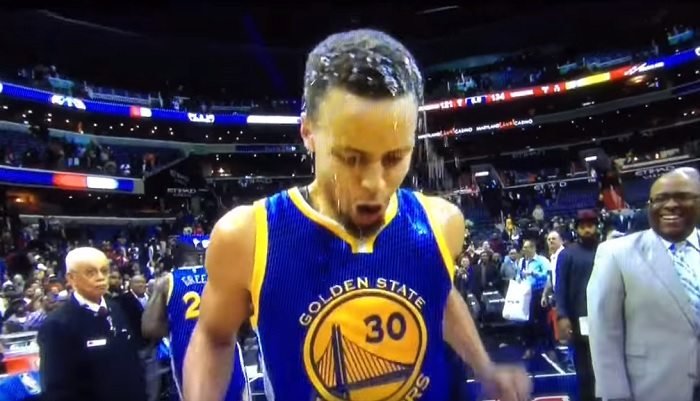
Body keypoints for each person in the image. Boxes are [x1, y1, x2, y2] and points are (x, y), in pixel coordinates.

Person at [184, 29, 531, 401]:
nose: (374, 183)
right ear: (308, 133)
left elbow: (438, 294)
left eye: (395, 158)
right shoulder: (249, 236)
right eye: (351, 158)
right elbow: (214, 336)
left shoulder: (441, 223)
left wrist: (484, 366)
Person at [587, 169, 700, 401]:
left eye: (682, 196)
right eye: (660, 199)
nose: (670, 205)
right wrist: (615, 395)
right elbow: (604, 333)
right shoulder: (615, 253)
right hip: (653, 389)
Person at [142, 240, 247, 401]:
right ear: (201, 255)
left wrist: (178, 326)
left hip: (187, 349)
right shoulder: (222, 275)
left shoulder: (166, 282)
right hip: (224, 347)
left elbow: (150, 328)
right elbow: (244, 317)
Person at [37, 247, 146, 401]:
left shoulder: (117, 308)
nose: (101, 277)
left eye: (104, 271)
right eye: (90, 273)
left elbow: (133, 364)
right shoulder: (57, 324)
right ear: (71, 278)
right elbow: (57, 389)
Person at [555, 209, 600, 401]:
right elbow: (560, 287)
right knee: (586, 368)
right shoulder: (567, 254)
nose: (587, 230)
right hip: (581, 318)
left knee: (608, 366)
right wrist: (562, 316)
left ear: (597, 227)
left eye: (590, 226)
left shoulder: (606, 250)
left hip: (608, 316)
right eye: (583, 226)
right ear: (577, 229)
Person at [517, 238, 551, 359]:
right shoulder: (521, 261)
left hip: (539, 292)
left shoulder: (542, 260)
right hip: (526, 293)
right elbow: (518, 275)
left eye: (526, 247)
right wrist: (518, 281)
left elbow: (548, 276)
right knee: (527, 321)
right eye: (523, 247)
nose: (524, 249)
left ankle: (549, 348)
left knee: (543, 321)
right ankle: (529, 348)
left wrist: (534, 274)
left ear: (533, 248)